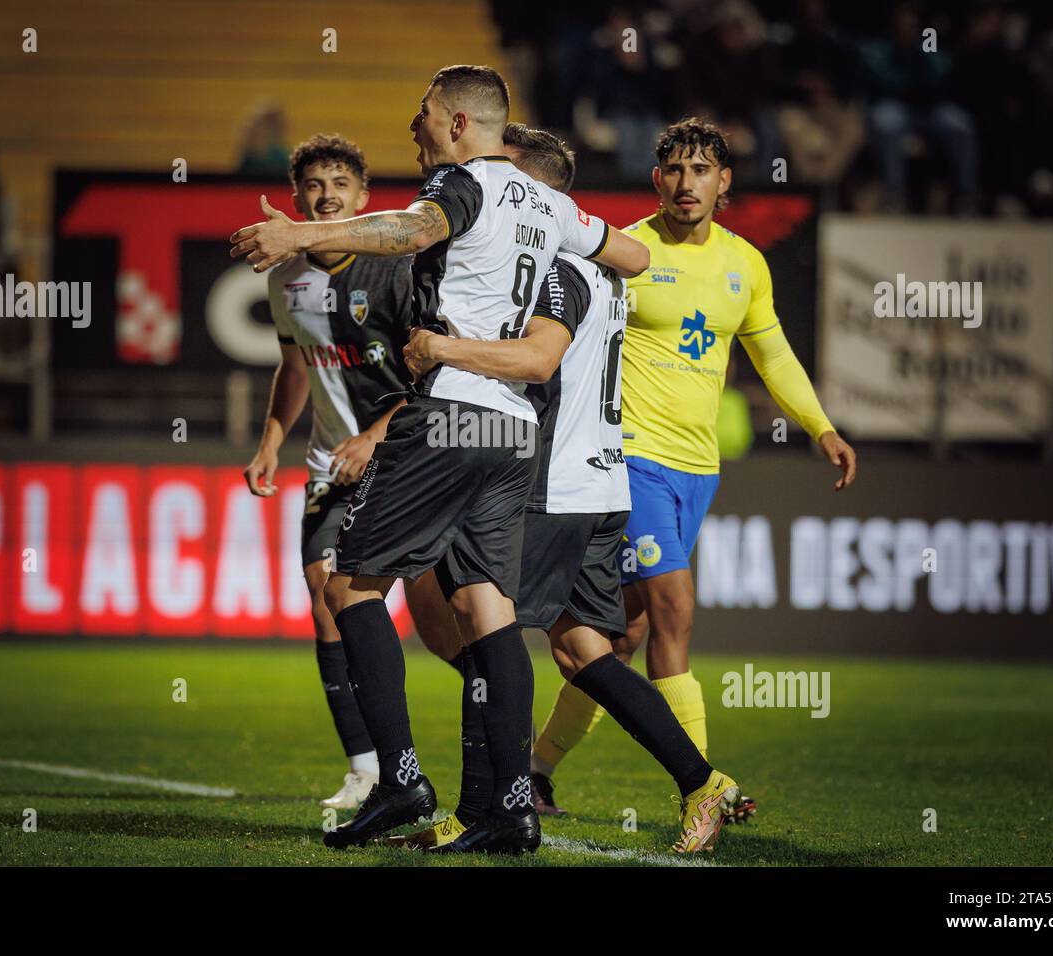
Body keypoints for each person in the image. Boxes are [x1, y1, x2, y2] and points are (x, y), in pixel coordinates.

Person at [230, 63, 650, 852]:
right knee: (485, 610)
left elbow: (412, 231)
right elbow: (633, 259)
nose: (414, 128)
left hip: (451, 413)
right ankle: (513, 809)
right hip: (512, 430)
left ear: (460, 123)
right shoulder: (550, 203)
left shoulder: (466, 185)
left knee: (348, 590)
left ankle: (399, 780)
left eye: (423, 115)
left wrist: (301, 233)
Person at [396, 123, 744, 854]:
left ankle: (484, 809)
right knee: (584, 652)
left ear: (538, 191)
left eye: (512, 181)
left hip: (551, 485)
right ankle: (700, 779)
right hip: (602, 482)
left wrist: (443, 349)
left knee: (481, 626)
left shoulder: (557, 267)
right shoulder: (605, 271)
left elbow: (538, 361)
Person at [528, 116, 856, 814]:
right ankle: (705, 785)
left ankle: (534, 770)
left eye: (701, 170)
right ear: (657, 179)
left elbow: (772, 354)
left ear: (724, 181)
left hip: (697, 471)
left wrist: (820, 426)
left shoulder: (746, 264)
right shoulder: (626, 252)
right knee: (676, 608)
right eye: (674, 170)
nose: (686, 183)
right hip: (631, 462)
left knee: (622, 640)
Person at [243, 133, 460, 811]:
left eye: (340, 184)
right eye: (314, 185)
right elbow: (295, 365)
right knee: (325, 599)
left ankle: (494, 735)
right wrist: (272, 439)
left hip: (404, 458)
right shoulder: (288, 280)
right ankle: (367, 768)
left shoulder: (395, 272)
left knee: (441, 621)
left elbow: (433, 372)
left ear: (363, 199)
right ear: (296, 198)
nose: (327, 195)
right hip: (328, 465)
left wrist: (374, 433)